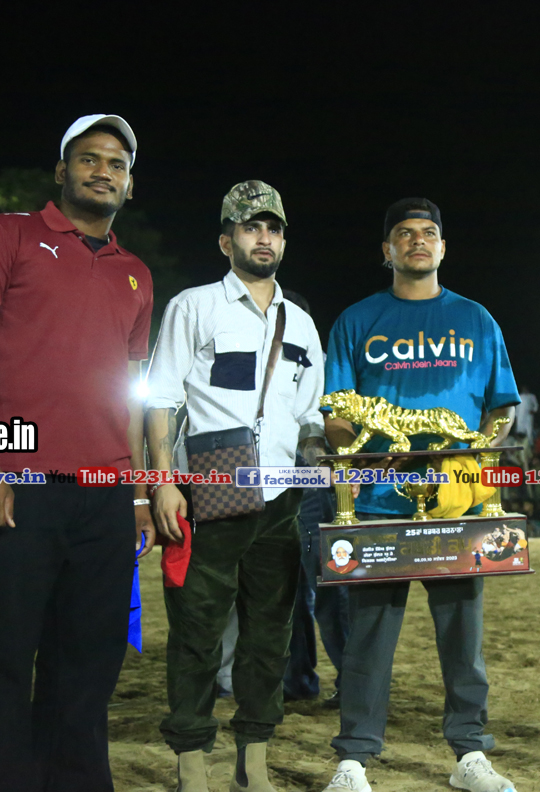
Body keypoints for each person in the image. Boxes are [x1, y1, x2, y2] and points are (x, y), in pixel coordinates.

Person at [0, 114, 154, 792]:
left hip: (105, 497)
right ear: (62, 171)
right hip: (20, 485)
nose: (103, 171)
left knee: (89, 665)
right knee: (1, 661)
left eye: (117, 164)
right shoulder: (4, 234)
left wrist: (139, 492)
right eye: (89, 158)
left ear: (129, 185)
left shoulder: (136, 274)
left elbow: (130, 393)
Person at [319, 198, 520, 792]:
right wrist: (358, 455)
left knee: (463, 639)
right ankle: (354, 759)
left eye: (429, 232)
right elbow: (337, 412)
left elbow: (501, 408)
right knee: (368, 639)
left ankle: (470, 754)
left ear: (443, 247)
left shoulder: (477, 319)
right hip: (379, 503)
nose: (418, 241)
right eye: (404, 234)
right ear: (387, 250)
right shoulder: (357, 320)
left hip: (459, 503)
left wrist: (476, 456)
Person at [145, 180, 326, 792]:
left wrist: (322, 460)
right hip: (209, 493)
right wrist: (162, 482)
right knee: (196, 634)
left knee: (270, 639)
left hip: (282, 500)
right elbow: (161, 398)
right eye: (251, 227)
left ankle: (254, 763)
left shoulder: (302, 323)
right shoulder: (193, 307)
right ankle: (192, 763)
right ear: (227, 241)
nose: (264, 238)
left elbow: (310, 414)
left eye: (273, 228)